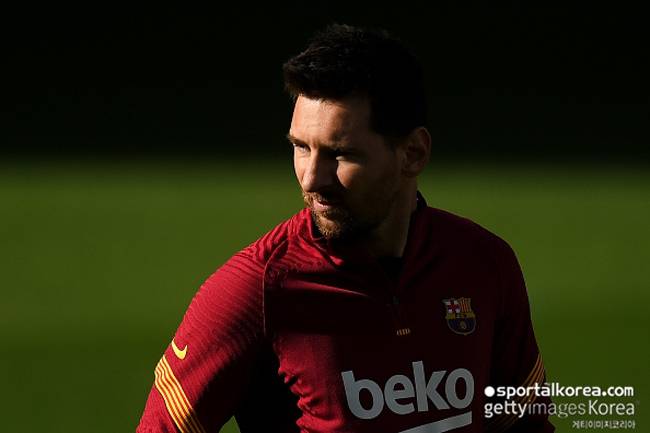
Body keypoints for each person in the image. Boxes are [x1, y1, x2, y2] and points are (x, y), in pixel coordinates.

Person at [136, 24, 553, 433]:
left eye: (340, 154)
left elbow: (527, 424)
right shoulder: (254, 291)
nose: (311, 179)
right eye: (301, 147)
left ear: (413, 153)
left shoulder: (484, 263)